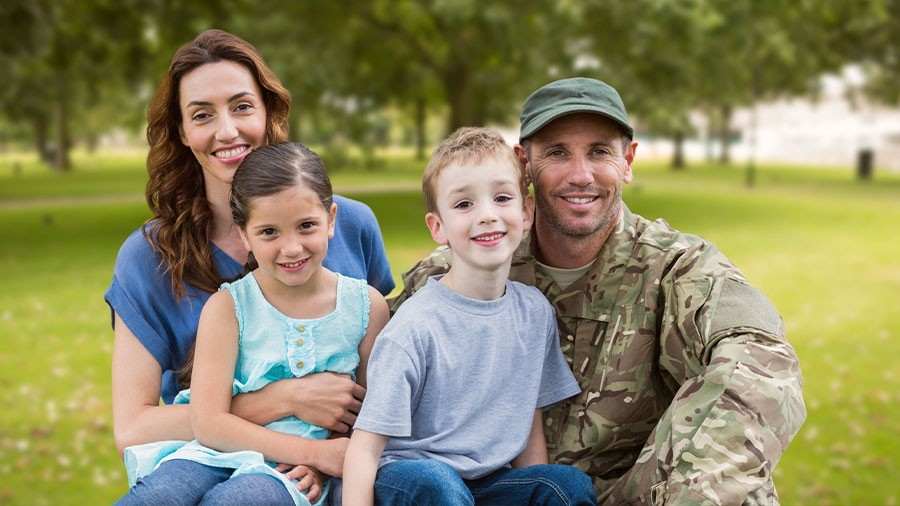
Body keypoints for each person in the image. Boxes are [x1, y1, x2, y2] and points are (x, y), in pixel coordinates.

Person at [388, 78, 807, 505]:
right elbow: (362, 355)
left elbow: (762, 367)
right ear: (524, 165)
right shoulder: (456, 274)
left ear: (627, 160)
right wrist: (313, 396)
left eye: (599, 151)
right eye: (556, 152)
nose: (580, 175)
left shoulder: (677, 268)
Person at [105, 29, 394, 500]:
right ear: (182, 131)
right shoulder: (147, 257)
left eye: (242, 106)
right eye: (202, 114)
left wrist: (327, 457)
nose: (227, 131)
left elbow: (380, 387)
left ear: (268, 111)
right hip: (198, 462)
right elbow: (132, 429)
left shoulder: (351, 226)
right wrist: (283, 400)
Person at [343, 127, 597, 506]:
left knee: (565, 486)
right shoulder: (416, 327)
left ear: (526, 212)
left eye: (501, 198)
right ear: (438, 227)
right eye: (464, 205)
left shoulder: (533, 312)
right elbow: (365, 448)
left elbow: (528, 430)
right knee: (439, 485)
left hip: (487, 485)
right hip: (411, 479)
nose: (487, 216)